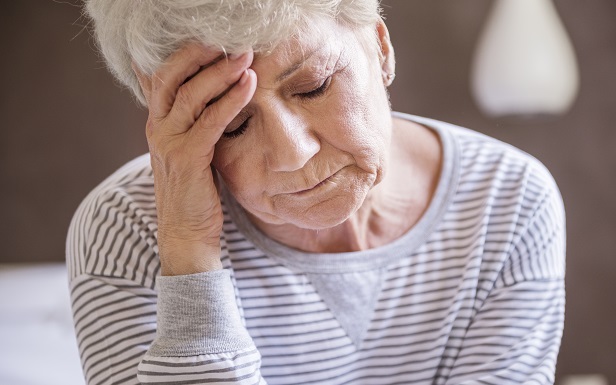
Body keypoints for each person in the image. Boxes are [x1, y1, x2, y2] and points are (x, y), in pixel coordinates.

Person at [67, 0, 567, 384]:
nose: (293, 153)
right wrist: (189, 250)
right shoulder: (125, 230)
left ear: (380, 45)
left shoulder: (509, 201)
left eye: (313, 86)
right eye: (232, 125)